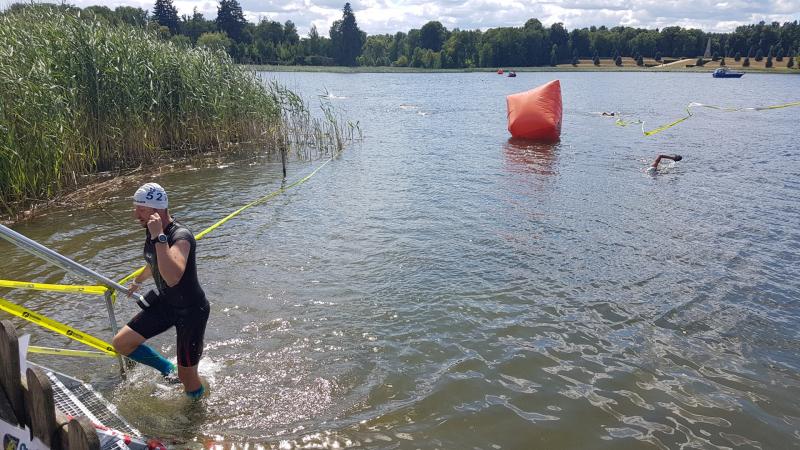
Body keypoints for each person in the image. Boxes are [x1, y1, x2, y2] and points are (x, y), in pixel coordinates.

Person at [112, 182, 210, 399]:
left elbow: (173, 277)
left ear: (158, 210)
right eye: (136, 208)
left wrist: (159, 237)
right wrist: (138, 281)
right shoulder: (153, 232)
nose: (136, 214)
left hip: (191, 311)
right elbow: (154, 262)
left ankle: (196, 410)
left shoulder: (180, 236)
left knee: (188, 378)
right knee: (122, 343)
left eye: (141, 209)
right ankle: (167, 369)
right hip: (167, 304)